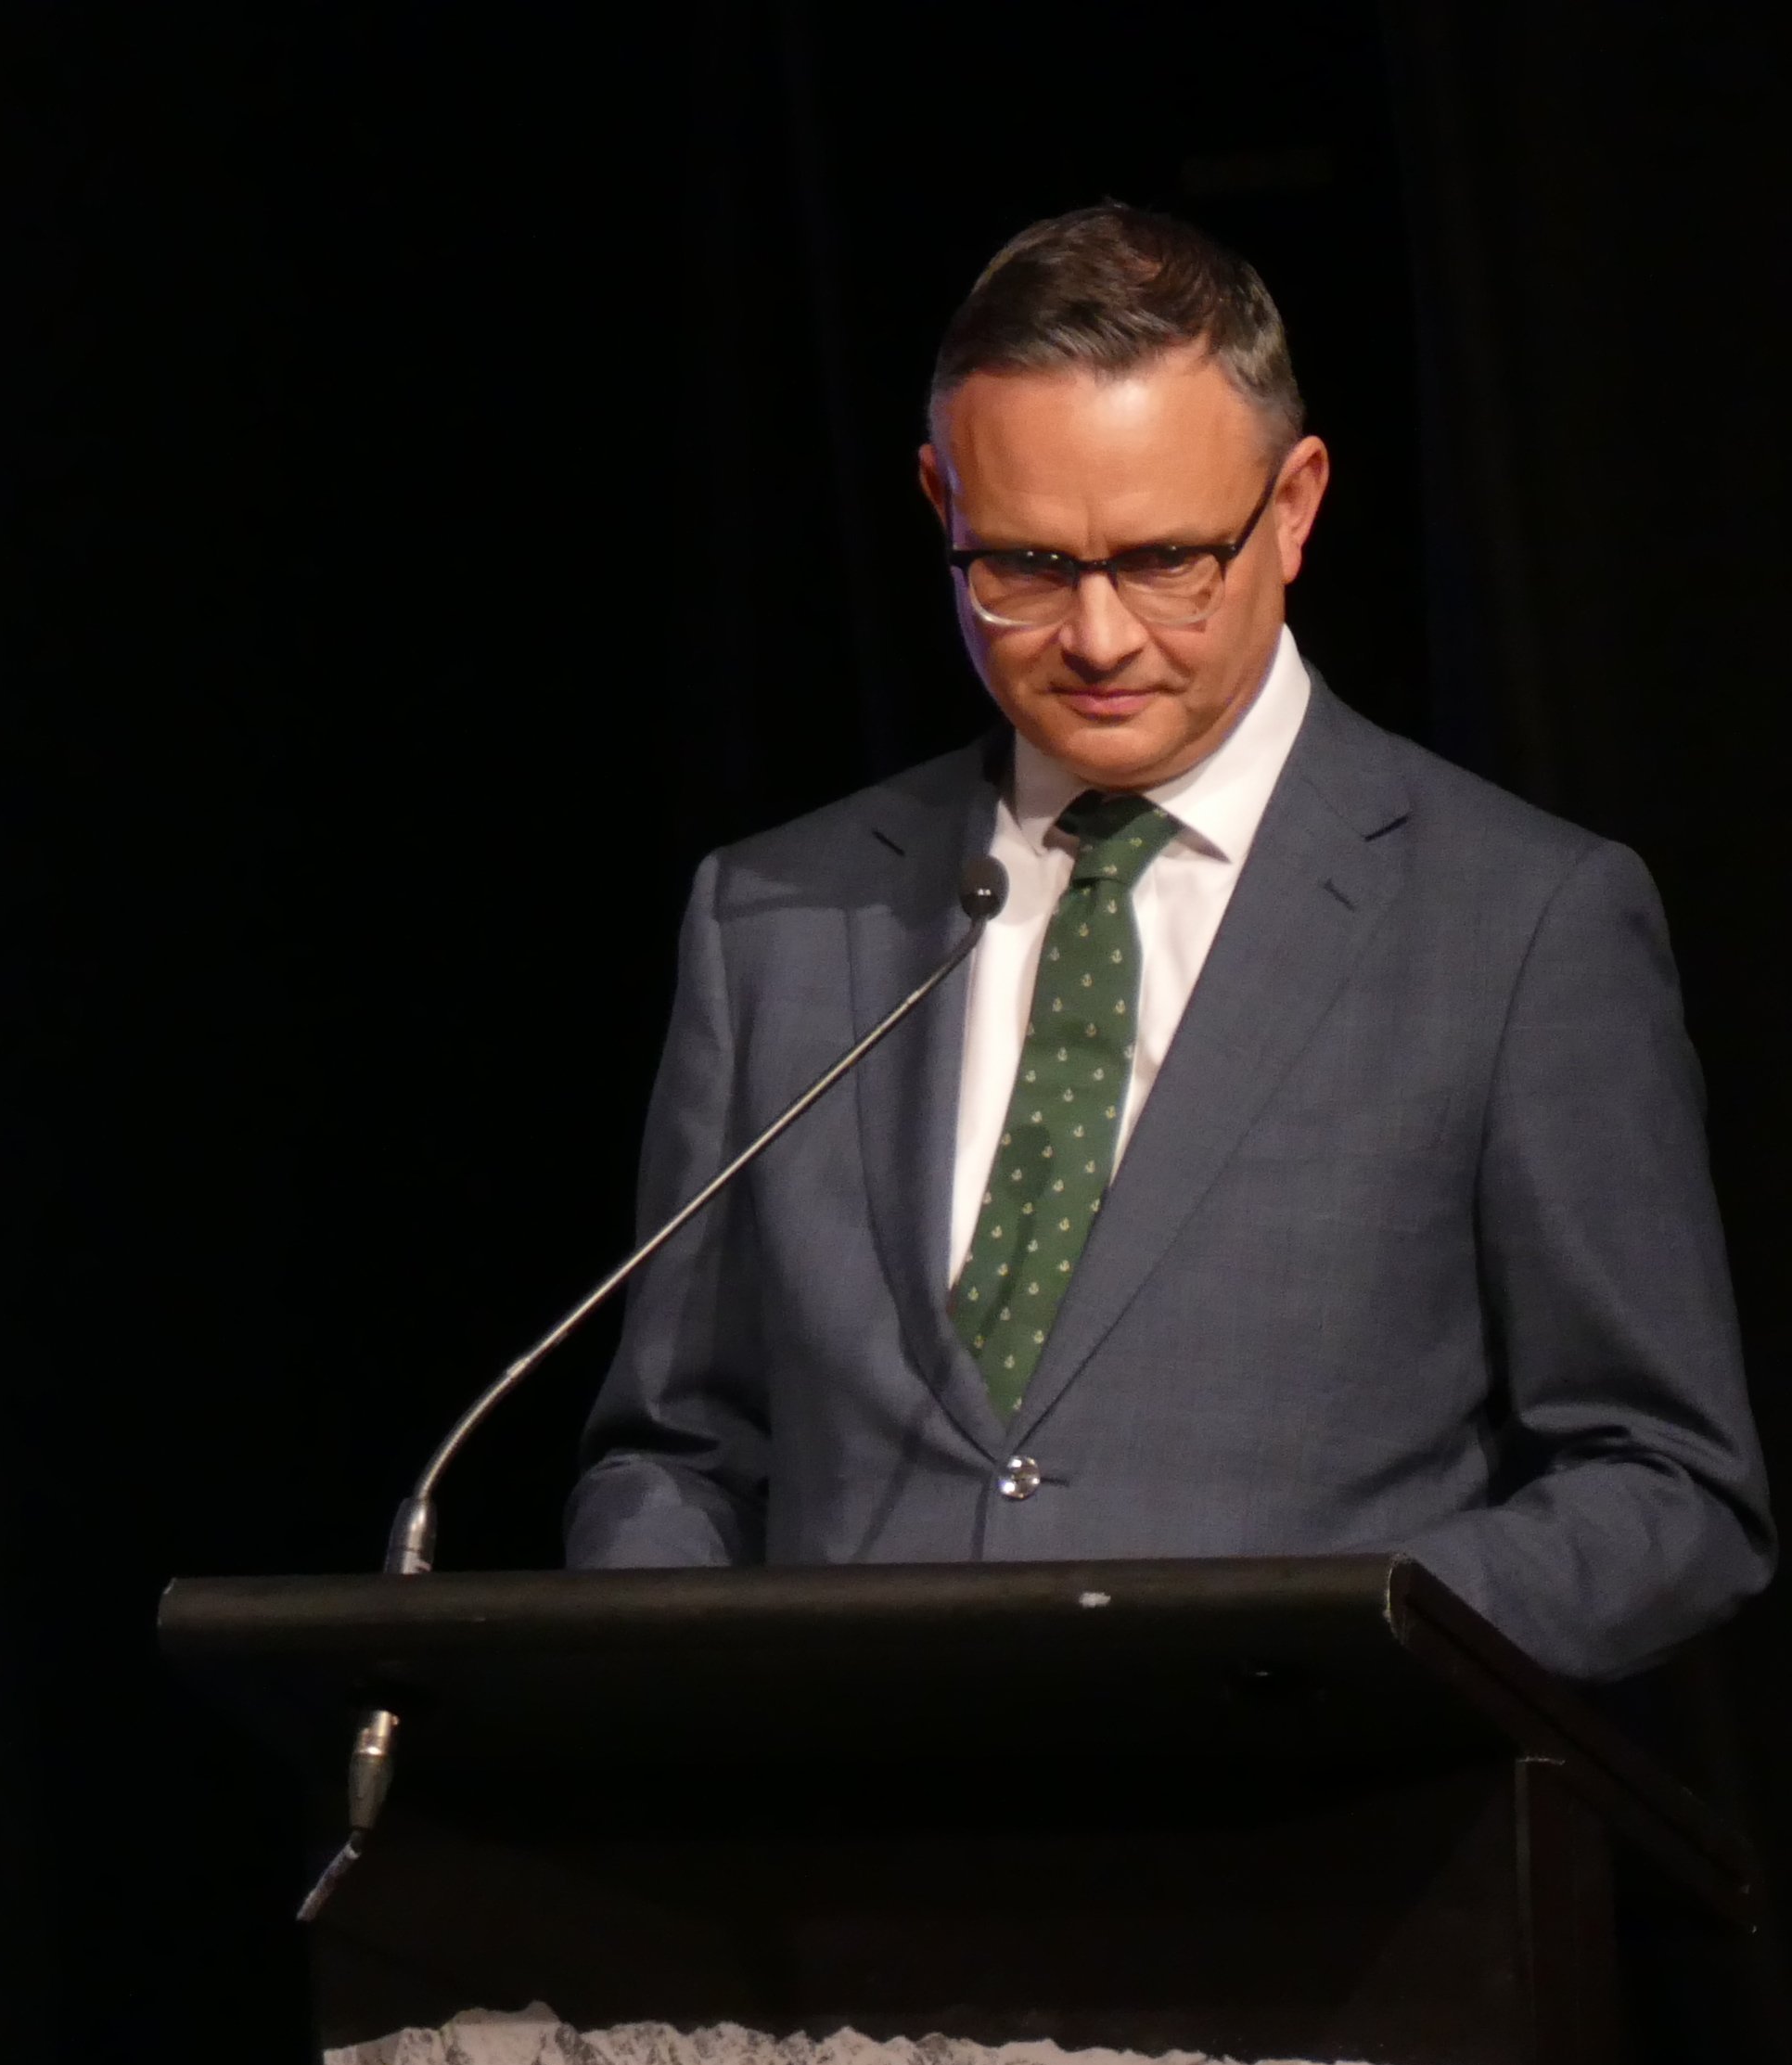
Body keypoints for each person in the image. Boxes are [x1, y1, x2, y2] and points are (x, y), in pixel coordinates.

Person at [569, 204, 1769, 1683]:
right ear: (939, 497)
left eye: (1164, 562)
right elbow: (674, 1455)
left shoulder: (1520, 924)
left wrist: (1333, 1657)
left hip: (1303, 1860)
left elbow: (1666, 1484)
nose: (1098, 637)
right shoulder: (774, 919)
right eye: (1021, 564)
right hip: (846, 1867)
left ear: (1297, 504)